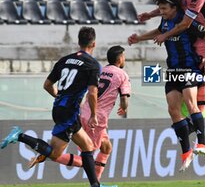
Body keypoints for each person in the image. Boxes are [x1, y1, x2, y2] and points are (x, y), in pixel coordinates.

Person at [1, 27, 103, 187]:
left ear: (79, 42)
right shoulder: (93, 65)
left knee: (87, 146)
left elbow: (47, 85)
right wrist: (93, 115)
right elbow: (92, 93)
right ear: (94, 44)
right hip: (69, 112)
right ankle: (20, 135)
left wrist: (60, 97)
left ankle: (95, 185)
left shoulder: (64, 60)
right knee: (55, 154)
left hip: (60, 108)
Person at [129, 0, 205, 172]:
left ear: (174, 7)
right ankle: (186, 152)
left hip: (189, 67)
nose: (162, 11)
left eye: (165, 8)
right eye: (160, 8)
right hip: (173, 69)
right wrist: (139, 39)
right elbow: (159, 31)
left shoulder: (186, 21)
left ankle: (202, 144)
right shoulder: (165, 21)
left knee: (191, 105)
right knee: (173, 110)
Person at [28, 46, 130, 185]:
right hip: (96, 119)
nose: (124, 58)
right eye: (124, 56)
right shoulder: (122, 75)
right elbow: (124, 99)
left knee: (106, 147)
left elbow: (91, 89)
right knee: (87, 158)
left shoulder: (101, 69)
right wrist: (123, 108)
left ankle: (97, 182)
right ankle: (49, 154)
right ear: (120, 58)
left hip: (84, 111)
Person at [138, 0, 205, 114]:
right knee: (189, 75)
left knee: (201, 76)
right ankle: (190, 116)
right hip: (191, 36)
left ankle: (199, 115)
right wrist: (150, 15)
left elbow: (185, 24)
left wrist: (165, 35)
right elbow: (167, 6)